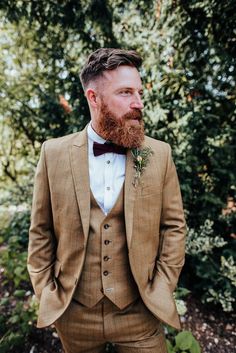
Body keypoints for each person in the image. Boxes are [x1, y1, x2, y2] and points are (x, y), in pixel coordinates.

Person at [27, 48, 186, 353]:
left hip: (140, 313)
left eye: (139, 92)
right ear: (94, 97)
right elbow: (40, 231)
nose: (138, 103)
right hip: (74, 315)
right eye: (126, 92)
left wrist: (162, 286)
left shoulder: (159, 154)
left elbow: (174, 227)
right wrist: (47, 291)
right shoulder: (53, 153)